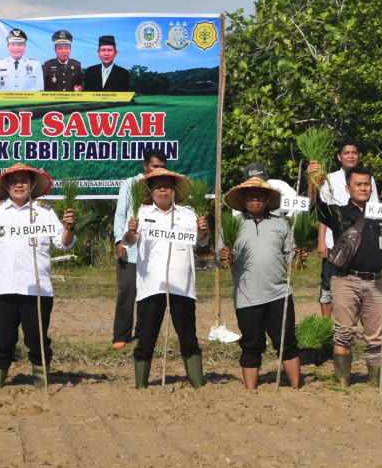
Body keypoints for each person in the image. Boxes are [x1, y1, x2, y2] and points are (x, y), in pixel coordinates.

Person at [0, 163, 75, 387]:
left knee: (37, 339)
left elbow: (63, 245)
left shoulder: (45, 212)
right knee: (2, 340)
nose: (19, 185)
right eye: (14, 181)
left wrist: (69, 228)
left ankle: (41, 383)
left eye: (24, 180)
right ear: (6, 185)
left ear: (32, 185)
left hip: (37, 287)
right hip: (1, 286)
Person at [122, 169, 208, 388]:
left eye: (167, 186)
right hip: (151, 286)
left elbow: (201, 242)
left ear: (174, 189)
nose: (163, 190)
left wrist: (202, 231)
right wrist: (131, 231)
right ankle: (141, 384)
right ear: (150, 190)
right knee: (146, 336)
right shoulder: (139, 214)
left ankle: (197, 383)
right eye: (157, 186)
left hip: (182, 286)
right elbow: (128, 242)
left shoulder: (188, 214)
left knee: (188, 335)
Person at [219, 177, 302, 389]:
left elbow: (289, 255)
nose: (255, 198)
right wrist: (222, 257)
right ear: (243, 198)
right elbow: (219, 259)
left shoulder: (281, 223)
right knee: (251, 345)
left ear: (267, 198)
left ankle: (296, 388)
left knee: (286, 342)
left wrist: (299, 256)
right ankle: (250, 392)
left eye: (259, 194)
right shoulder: (232, 225)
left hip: (279, 294)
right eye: (250, 194)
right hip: (247, 297)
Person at [313, 164, 382, 387]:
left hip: (376, 282)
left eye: (366, 184)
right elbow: (316, 207)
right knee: (344, 333)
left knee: (376, 337)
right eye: (358, 184)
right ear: (348, 188)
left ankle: (375, 382)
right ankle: (343, 381)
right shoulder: (338, 213)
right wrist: (313, 181)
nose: (363, 188)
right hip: (346, 281)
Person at [310, 140, 378, 318]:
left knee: (357, 283)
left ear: (359, 156)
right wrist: (321, 241)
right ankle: (326, 325)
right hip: (335, 241)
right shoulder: (330, 178)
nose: (350, 156)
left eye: (354, 152)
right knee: (328, 283)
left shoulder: (367, 179)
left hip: (360, 240)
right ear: (339, 156)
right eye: (346, 153)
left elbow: (374, 210)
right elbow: (323, 213)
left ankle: (352, 324)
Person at [111, 149, 167, 347]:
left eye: (162, 167)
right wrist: (119, 240)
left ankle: (143, 333)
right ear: (145, 166)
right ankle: (121, 335)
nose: (158, 170)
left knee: (149, 294)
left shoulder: (165, 187)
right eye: (155, 166)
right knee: (127, 291)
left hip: (153, 252)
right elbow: (120, 215)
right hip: (130, 249)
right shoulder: (130, 184)